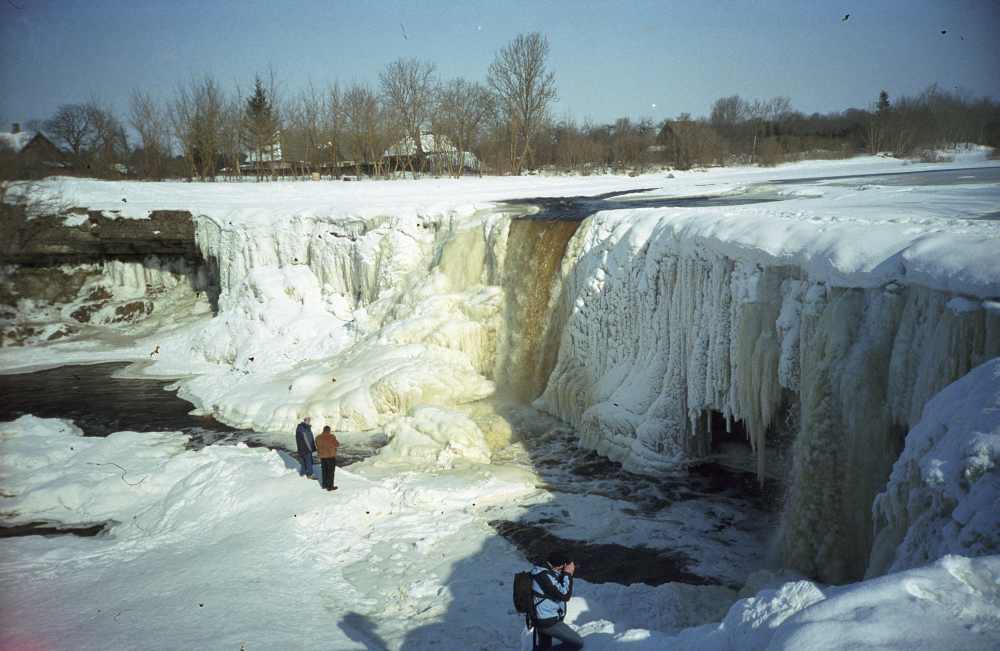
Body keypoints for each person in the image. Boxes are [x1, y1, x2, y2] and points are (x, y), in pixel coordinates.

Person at [530, 553, 583, 650]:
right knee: (577, 643)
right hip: (547, 621)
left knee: (544, 647)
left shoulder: (543, 570)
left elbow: (555, 583)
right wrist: (568, 574)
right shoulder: (543, 576)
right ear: (560, 566)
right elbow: (564, 595)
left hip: (543, 616)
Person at [315, 425, 340, 491]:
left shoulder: (318, 437)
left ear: (323, 430)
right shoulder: (331, 436)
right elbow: (337, 444)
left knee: (324, 471)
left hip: (323, 457)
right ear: (329, 430)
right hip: (330, 457)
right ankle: (330, 486)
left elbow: (317, 445)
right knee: (330, 472)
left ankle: (324, 485)